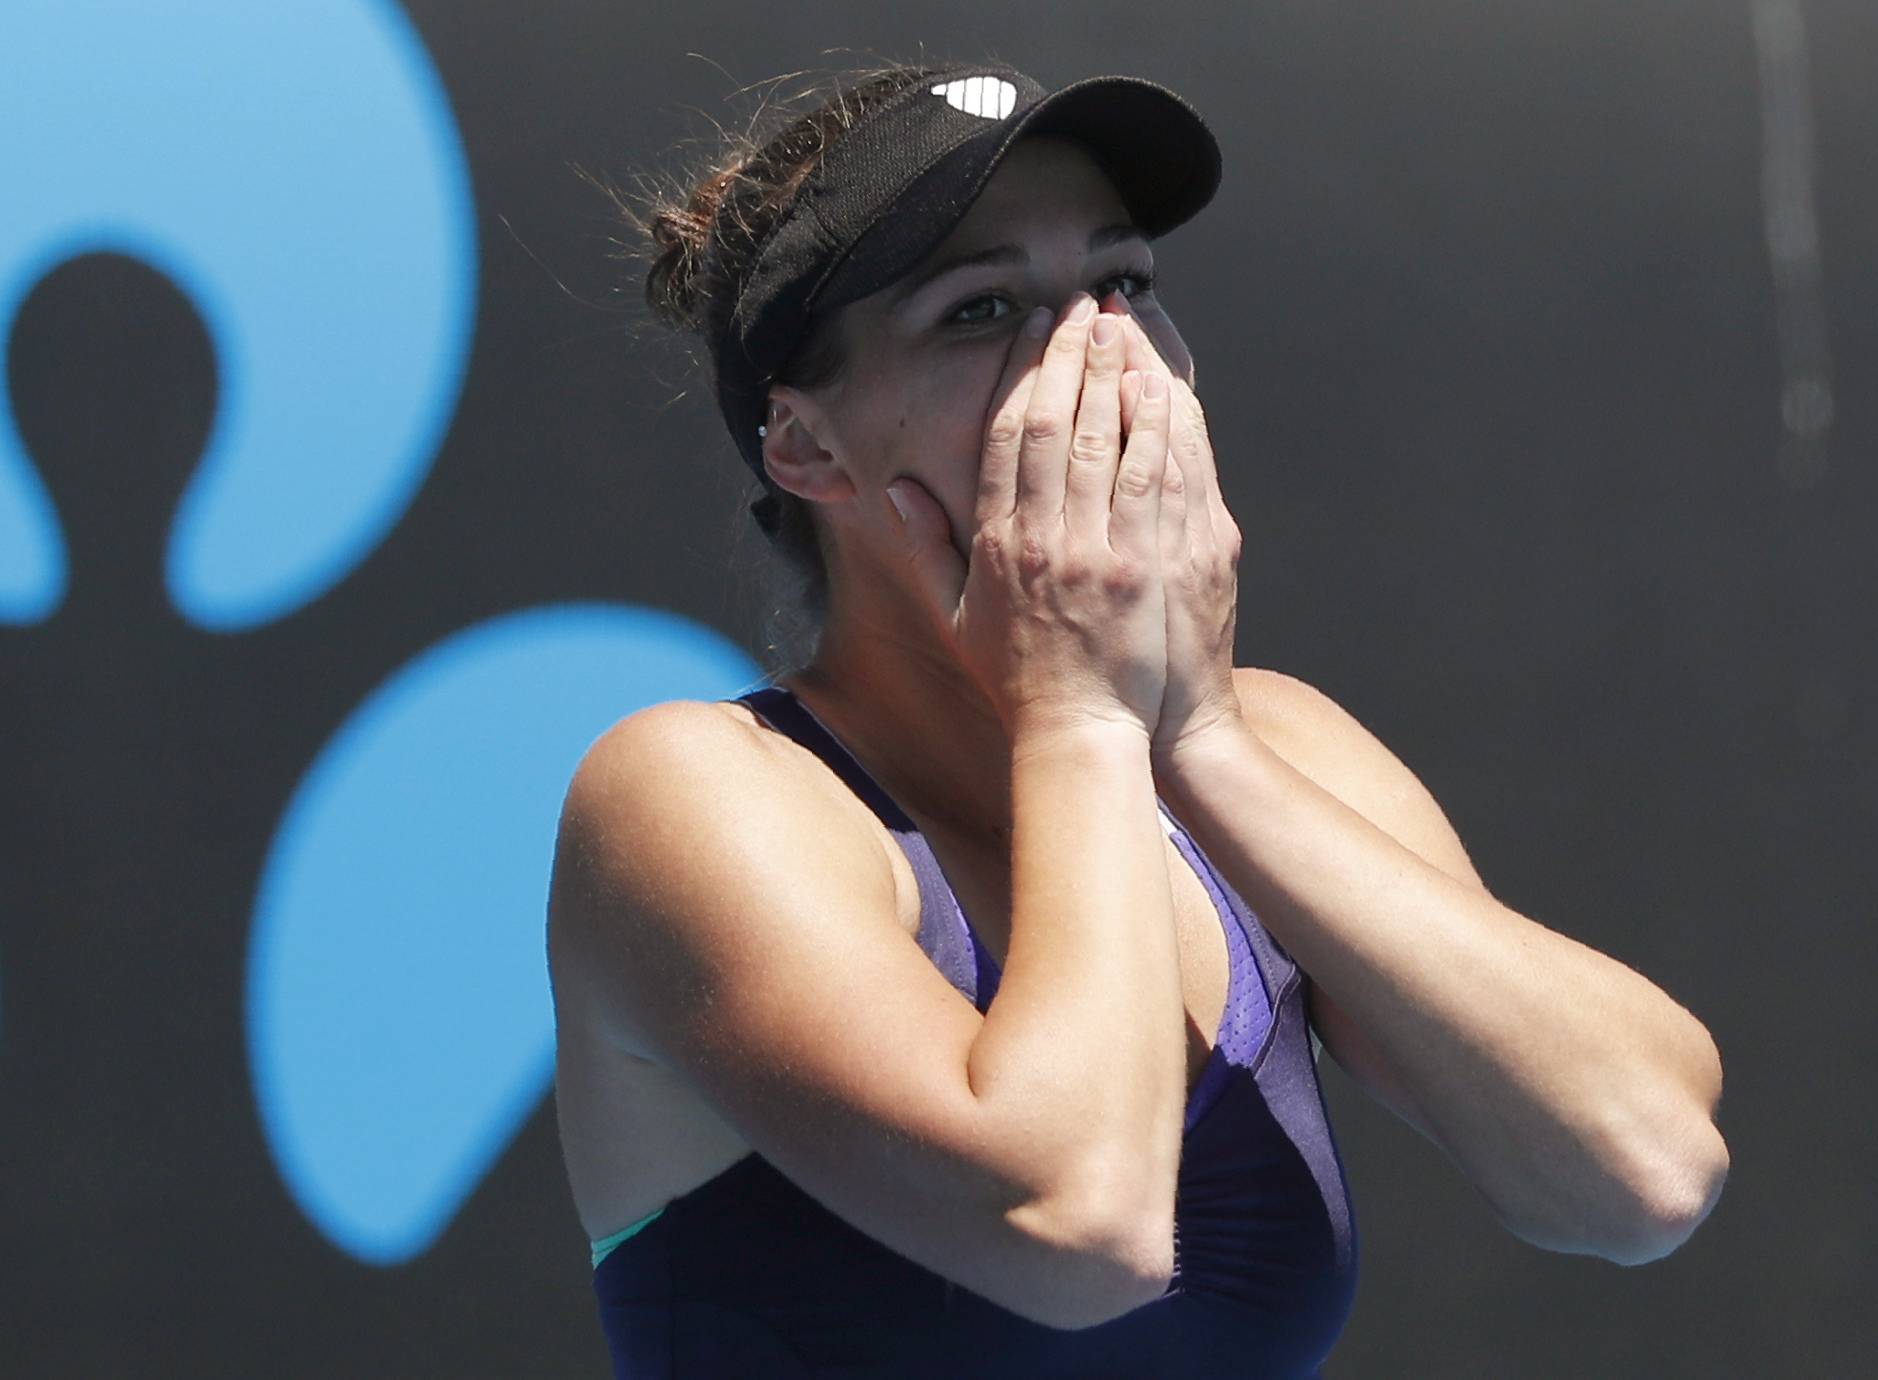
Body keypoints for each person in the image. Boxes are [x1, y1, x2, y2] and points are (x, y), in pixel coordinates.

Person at [546, 59, 1728, 1379]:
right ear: (808, 447)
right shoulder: (695, 792)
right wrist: (1079, 716)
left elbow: (1644, 1171)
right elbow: (1076, 1225)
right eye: (983, 308)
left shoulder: (1264, 742)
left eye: (1122, 285)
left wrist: (1202, 740)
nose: (1098, 354)